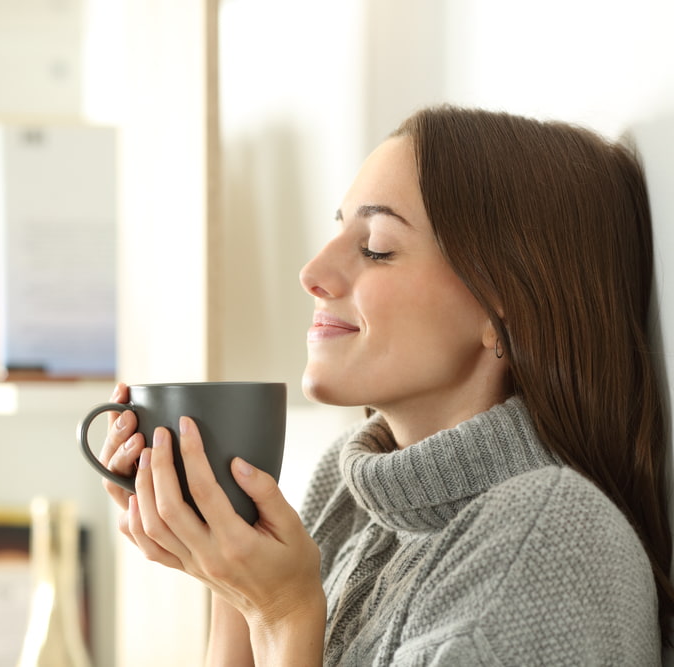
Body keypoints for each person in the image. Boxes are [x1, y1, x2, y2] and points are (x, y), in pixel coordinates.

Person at [96, 105, 673, 665]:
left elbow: (283, 622)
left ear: (506, 311)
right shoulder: (348, 492)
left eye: (376, 247)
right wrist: (225, 569)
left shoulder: (551, 544)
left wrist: (283, 613)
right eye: (338, 231)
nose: (312, 273)